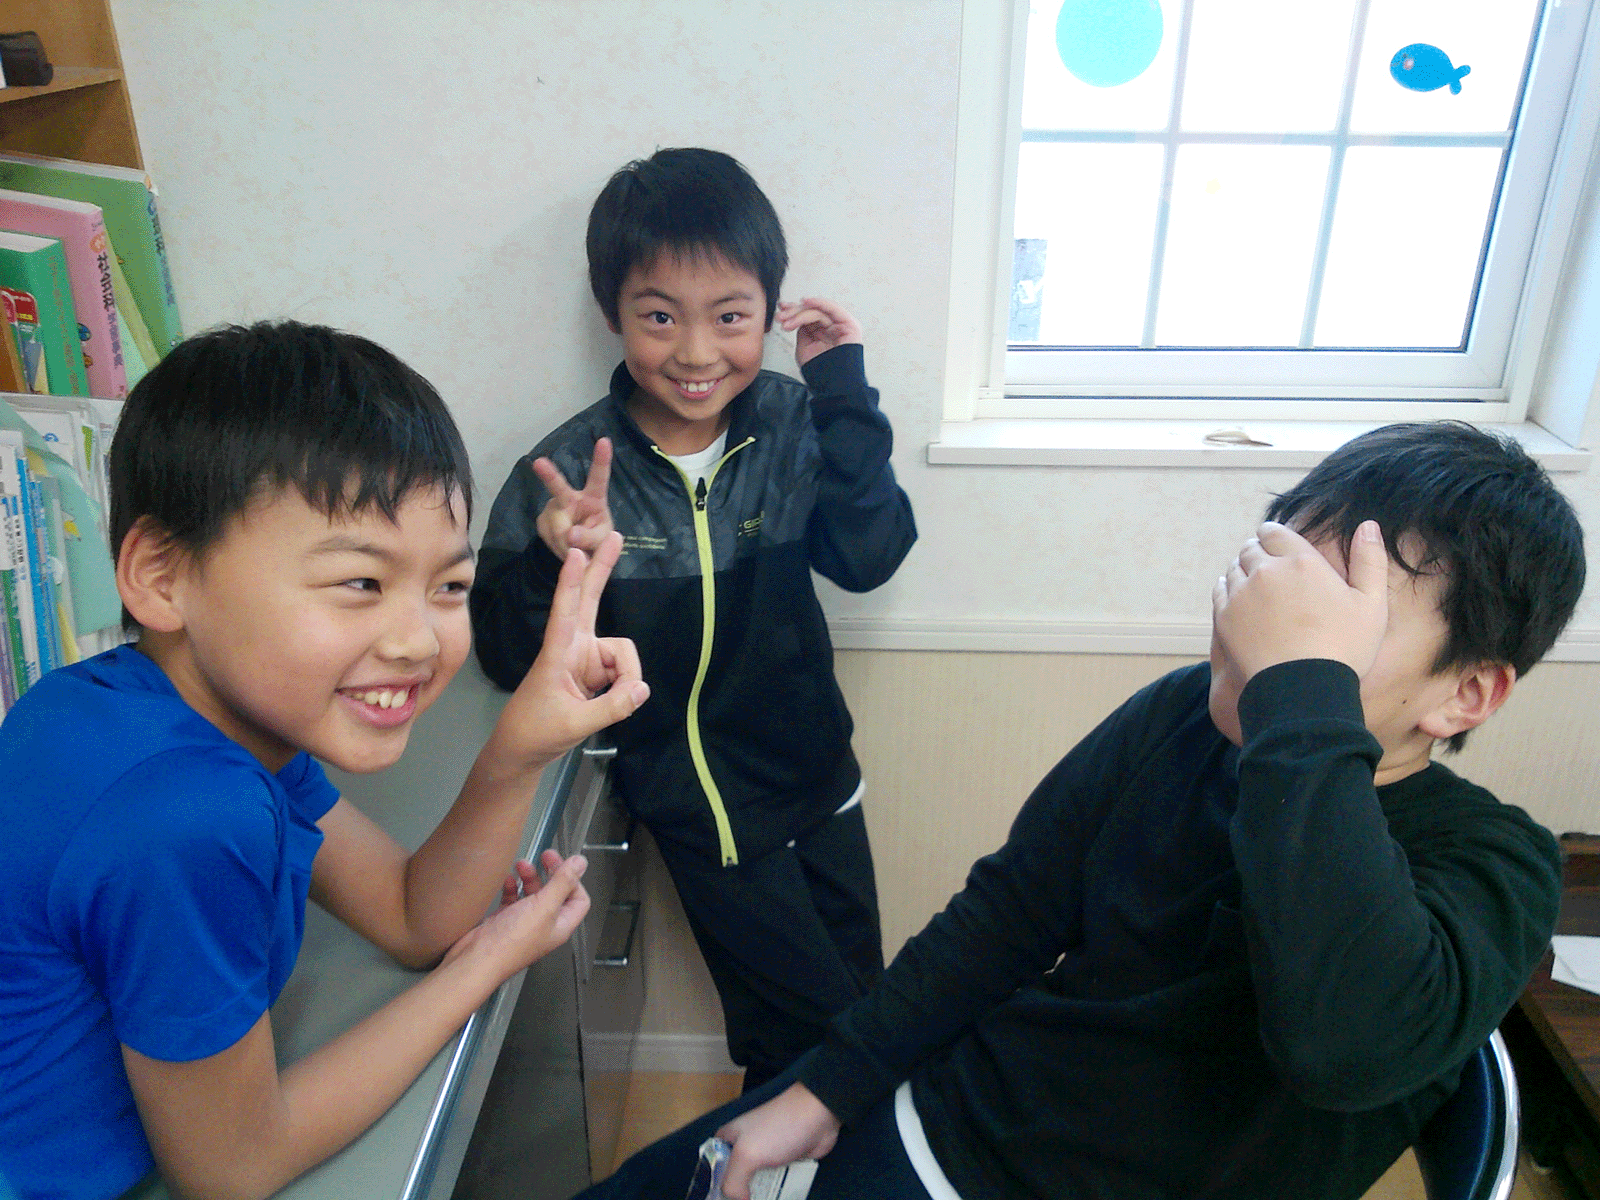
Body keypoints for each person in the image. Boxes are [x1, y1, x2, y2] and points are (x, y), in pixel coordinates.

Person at [577, 421, 1586, 1200]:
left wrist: (1300, 696)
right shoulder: (1179, 715)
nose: (1262, 629)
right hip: (952, 1118)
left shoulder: (1499, 867)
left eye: (1333, 619)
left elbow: (1340, 1045)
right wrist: (824, 1086)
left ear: (1467, 694)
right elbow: (1007, 914)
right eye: (1280, 578)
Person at [0, 321, 649, 1200]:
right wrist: (485, 965)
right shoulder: (185, 810)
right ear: (161, 575)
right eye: (360, 582)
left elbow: (410, 914)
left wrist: (516, 749)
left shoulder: (150, 707)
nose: (419, 640)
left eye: (448, 586)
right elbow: (232, 1167)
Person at [471, 148, 918, 1091]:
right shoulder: (571, 471)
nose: (697, 352)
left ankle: (803, 1157)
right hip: (703, 811)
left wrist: (842, 388)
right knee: (807, 1037)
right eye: (661, 316)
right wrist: (558, 559)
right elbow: (504, 655)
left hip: (821, 780)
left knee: (861, 1009)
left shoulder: (794, 426)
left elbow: (870, 554)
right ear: (613, 313)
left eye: (730, 316)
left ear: (770, 310)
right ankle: (787, 1156)